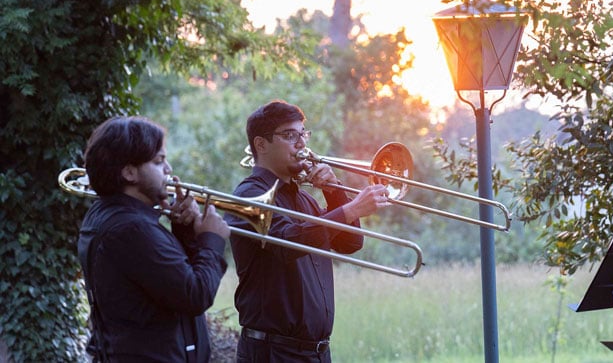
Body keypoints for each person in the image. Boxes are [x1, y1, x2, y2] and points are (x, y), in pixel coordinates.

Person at [225, 100, 391, 363]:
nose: (301, 143)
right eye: (290, 135)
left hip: (316, 353)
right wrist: (350, 209)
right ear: (261, 145)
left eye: (303, 134)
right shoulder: (249, 195)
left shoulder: (305, 200)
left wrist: (334, 190)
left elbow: (351, 243)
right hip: (273, 353)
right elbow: (286, 242)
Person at [77, 116, 230, 362]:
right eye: (159, 161)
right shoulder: (132, 229)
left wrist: (184, 231)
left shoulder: (110, 216)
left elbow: (168, 283)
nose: (168, 169)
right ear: (129, 172)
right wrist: (211, 239)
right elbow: (195, 294)